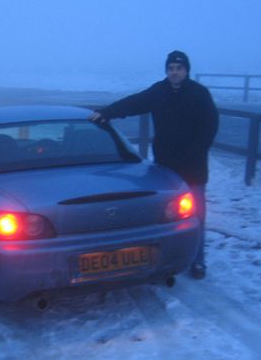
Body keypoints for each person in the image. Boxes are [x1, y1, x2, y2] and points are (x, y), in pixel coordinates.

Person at [90, 50, 218, 279]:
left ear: (186, 71)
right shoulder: (159, 91)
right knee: (165, 216)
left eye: (178, 68)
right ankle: (165, 258)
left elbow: (209, 128)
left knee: (196, 216)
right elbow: (134, 103)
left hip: (194, 168)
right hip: (166, 167)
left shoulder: (199, 94)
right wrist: (107, 113)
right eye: (171, 69)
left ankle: (198, 261)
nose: (174, 72)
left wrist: (194, 153)